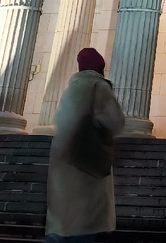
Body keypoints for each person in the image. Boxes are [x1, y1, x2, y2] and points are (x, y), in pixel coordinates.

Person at [45, 48, 126, 243]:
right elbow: (116, 122)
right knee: (84, 223)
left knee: (61, 223)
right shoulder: (98, 86)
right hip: (87, 162)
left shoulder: (71, 88)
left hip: (63, 162)